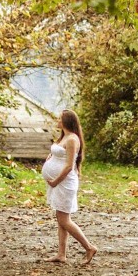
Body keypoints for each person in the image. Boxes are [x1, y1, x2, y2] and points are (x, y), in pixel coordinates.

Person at [41, 109, 97, 265]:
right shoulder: (64, 137)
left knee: (64, 219)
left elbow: (68, 166)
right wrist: (50, 157)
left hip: (64, 182)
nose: (57, 120)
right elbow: (60, 154)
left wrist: (56, 181)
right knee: (61, 219)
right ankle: (61, 254)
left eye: (60, 118)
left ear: (67, 121)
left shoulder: (72, 139)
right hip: (58, 182)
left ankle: (89, 247)